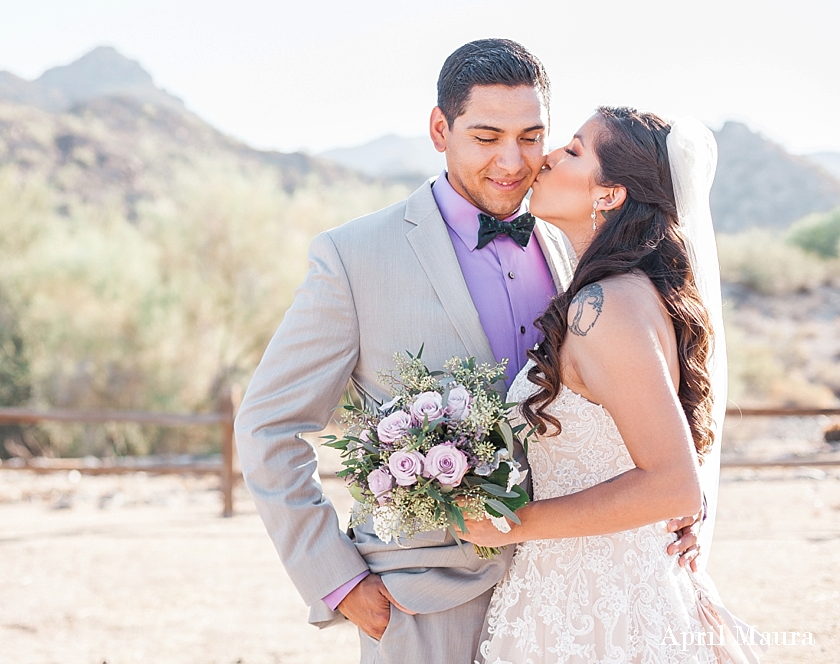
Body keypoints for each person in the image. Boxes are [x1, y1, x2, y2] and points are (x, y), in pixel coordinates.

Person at [234, 40, 702, 664]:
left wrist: (668, 508)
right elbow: (268, 425)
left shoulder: (578, 255)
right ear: (439, 129)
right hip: (424, 603)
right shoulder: (354, 258)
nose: (513, 161)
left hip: (570, 591)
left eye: (533, 137)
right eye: (486, 137)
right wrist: (337, 581)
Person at [459, 107, 760, 663]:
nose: (547, 157)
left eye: (573, 151)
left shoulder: (606, 306)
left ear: (610, 194)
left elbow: (674, 485)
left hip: (603, 611)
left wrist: (511, 524)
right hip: (586, 587)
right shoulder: (624, 292)